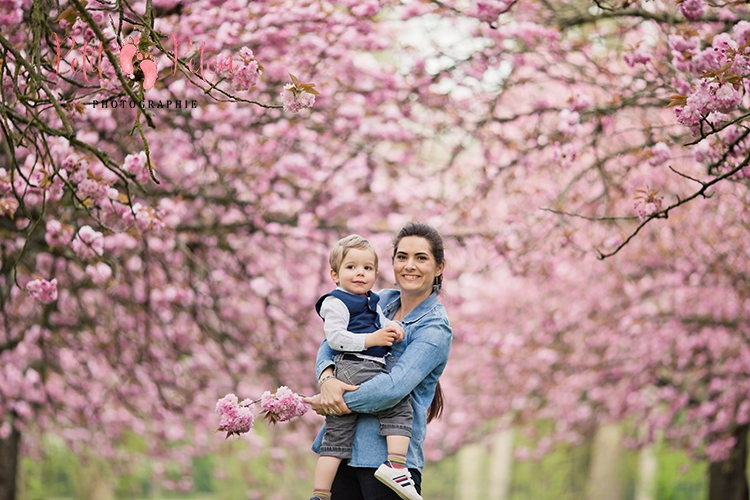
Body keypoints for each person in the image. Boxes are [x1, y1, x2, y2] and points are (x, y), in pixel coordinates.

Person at [304, 222, 452, 500]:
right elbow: (330, 343)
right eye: (402, 257)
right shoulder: (377, 300)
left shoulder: (435, 327)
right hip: (343, 455)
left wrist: (335, 402)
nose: (410, 265)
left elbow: (392, 388)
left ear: (439, 267)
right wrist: (327, 380)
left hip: (386, 465)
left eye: (421, 258)